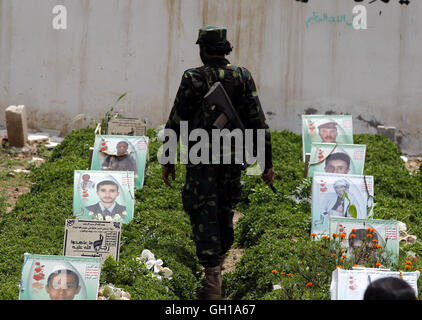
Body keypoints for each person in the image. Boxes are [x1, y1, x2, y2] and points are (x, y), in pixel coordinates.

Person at [161, 26, 274, 300]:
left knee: (203, 213)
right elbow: (258, 122)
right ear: (226, 49)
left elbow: (177, 119)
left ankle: (212, 279)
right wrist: (266, 163)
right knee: (225, 209)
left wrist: (168, 158)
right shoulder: (242, 76)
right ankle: (217, 267)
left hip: (201, 159)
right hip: (233, 158)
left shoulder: (193, 77)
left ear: (202, 49)